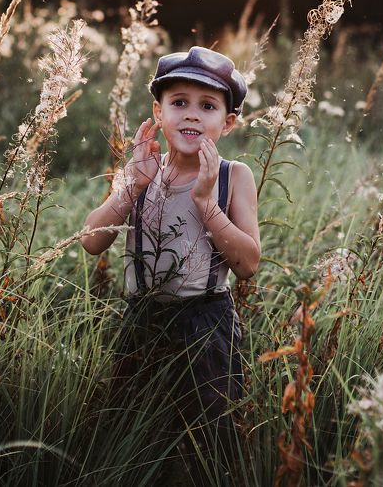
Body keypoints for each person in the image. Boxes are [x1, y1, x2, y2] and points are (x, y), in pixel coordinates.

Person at [80, 46, 261, 481]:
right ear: (158, 113)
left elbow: (248, 264)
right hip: (143, 318)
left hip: (206, 322)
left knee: (209, 440)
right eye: (179, 102)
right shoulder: (143, 171)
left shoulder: (233, 176)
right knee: (132, 428)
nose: (192, 114)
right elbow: (91, 241)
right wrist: (132, 187)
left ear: (228, 123)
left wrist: (207, 204)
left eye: (208, 106)